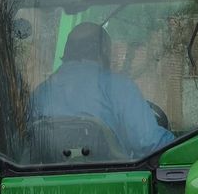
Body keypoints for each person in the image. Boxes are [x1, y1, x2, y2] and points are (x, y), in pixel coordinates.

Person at [30, 22, 173, 157]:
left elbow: (27, 143)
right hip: (115, 178)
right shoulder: (119, 87)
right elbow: (148, 142)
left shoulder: (42, 92)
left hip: (50, 179)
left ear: (67, 50)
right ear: (105, 51)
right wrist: (181, 143)